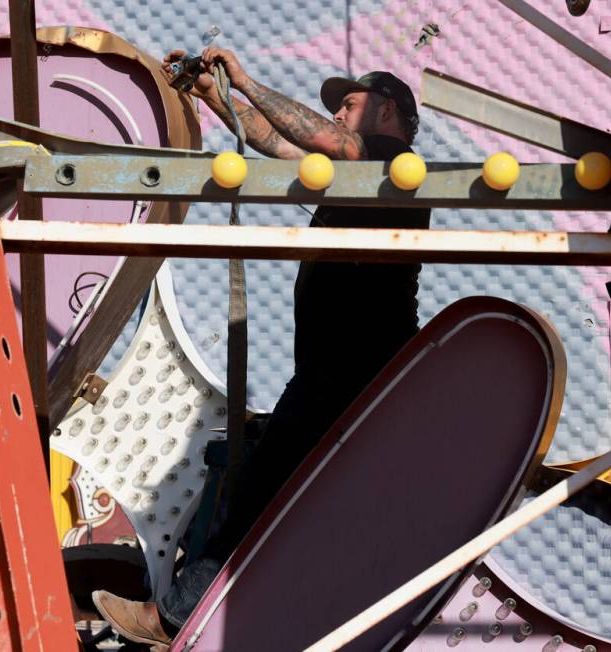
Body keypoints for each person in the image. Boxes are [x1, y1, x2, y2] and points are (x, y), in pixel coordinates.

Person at [92, 47, 431, 649]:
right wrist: (214, 94)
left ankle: (174, 618)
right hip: (340, 369)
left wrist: (245, 79)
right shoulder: (353, 168)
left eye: (350, 104)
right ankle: (212, 618)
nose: (340, 115)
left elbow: (324, 140)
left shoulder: (393, 160)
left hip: (355, 367)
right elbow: (279, 144)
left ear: (386, 110)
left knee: (262, 487)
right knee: (276, 489)